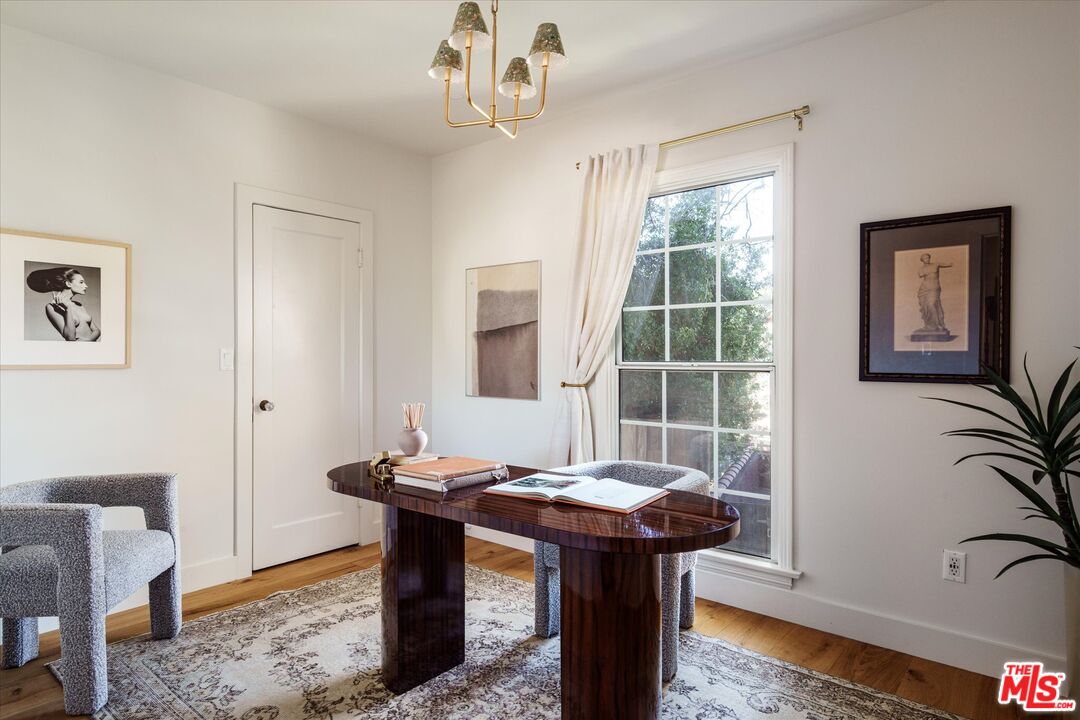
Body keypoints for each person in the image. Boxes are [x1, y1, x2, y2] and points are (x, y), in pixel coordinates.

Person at [25, 267, 101, 341]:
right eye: (81, 282)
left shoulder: (79, 305)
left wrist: (88, 341)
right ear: (68, 284)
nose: (86, 286)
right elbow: (70, 337)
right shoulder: (52, 307)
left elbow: (97, 331)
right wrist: (67, 310)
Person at [916, 253, 952, 333]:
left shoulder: (936, 264)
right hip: (924, 288)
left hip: (934, 287)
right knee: (925, 305)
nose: (927, 259)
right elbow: (920, 275)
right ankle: (929, 325)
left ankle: (938, 324)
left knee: (932, 304)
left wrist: (952, 263)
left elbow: (948, 264)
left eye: (928, 257)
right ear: (922, 260)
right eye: (925, 258)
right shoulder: (921, 269)